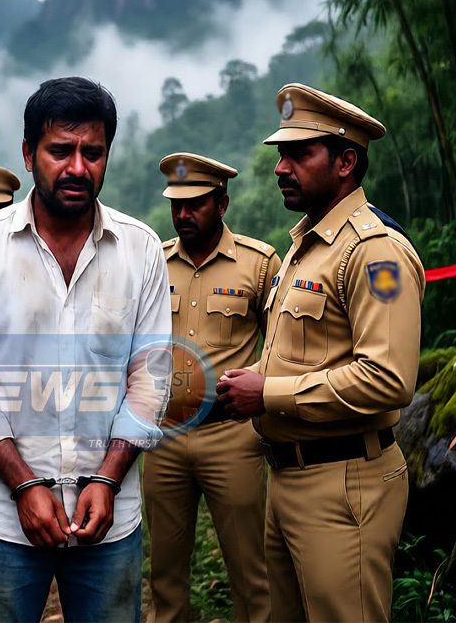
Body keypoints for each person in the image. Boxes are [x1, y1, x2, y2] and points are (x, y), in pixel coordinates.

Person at [0, 76, 172, 623]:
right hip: (1, 517)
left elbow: (151, 379)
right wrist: (23, 484)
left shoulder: (140, 249)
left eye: (93, 152)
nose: (77, 168)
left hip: (109, 519)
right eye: (60, 151)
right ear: (28, 154)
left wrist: (108, 477)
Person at [216, 83, 425, 622]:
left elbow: (388, 378)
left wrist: (269, 393)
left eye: (298, 154)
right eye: (280, 154)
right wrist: (251, 378)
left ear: (345, 162)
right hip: (288, 478)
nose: (280, 168)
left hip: (344, 483)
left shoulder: (374, 252)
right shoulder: (305, 246)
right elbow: (306, 352)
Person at [145, 152, 278, 623]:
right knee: (165, 577)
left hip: (232, 435)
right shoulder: (154, 263)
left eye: (195, 204)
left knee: (251, 574)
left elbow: (281, 345)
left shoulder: (259, 264)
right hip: (165, 435)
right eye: (176, 205)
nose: (183, 214)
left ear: (221, 204)